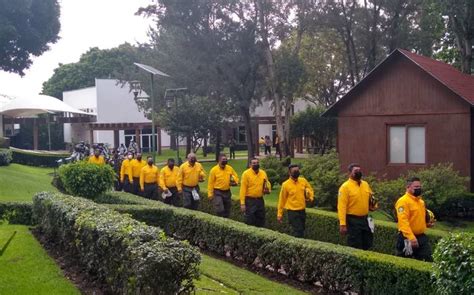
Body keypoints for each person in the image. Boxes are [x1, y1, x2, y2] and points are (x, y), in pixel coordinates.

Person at [337, 163, 377, 250]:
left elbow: (371, 197)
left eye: (359, 170)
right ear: (350, 173)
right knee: (355, 244)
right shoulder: (345, 187)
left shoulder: (365, 184)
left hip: (365, 219)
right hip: (352, 220)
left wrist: (373, 205)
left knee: (367, 243)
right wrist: (342, 224)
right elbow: (342, 207)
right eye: (356, 171)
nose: (358, 172)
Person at [395, 177, 435, 261]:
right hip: (407, 238)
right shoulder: (403, 201)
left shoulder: (421, 202)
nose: (418, 189)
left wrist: (427, 224)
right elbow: (403, 222)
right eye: (416, 187)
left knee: (428, 259)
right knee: (405, 262)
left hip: (421, 237)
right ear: (408, 187)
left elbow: (420, 218)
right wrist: (411, 238)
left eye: (419, 187)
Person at [277, 164, 314, 238]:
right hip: (292, 211)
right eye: (294, 171)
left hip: (302, 210)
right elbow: (282, 199)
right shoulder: (285, 185)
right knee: (298, 230)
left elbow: (310, 189)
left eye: (297, 171)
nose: (297, 172)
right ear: (289, 173)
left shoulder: (303, 181)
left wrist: (310, 196)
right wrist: (279, 214)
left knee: (302, 229)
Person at [240, 158, 271, 227]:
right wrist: (242, 203)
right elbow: (243, 189)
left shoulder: (263, 173)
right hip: (250, 200)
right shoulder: (246, 174)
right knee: (250, 219)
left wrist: (268, 189)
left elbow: (267, 183)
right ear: (250, 165)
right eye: (254, 163)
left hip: (260, 200)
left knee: (261, 218)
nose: (256, 164)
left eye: (257, 163)